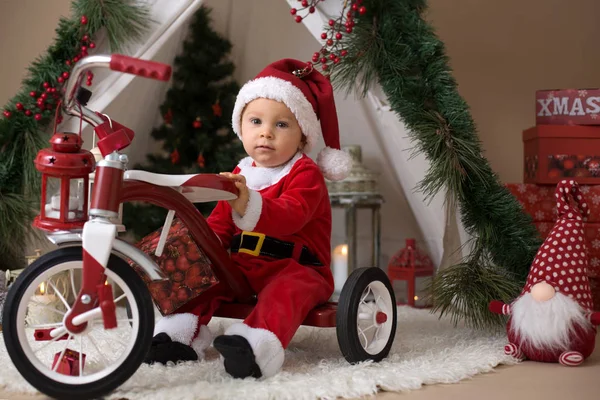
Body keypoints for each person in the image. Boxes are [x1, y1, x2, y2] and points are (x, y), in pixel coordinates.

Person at [144, 58, 353, 378]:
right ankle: (179, 335)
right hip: (245, 265)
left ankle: (256, 347)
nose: (266, 133)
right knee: (205, 278)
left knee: (286, 292)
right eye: (256, 121)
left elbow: (291, 216)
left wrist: (248, 202)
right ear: (240, 128)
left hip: (298, 266)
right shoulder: (242, 173)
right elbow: (220, 223)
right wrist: (197, 250)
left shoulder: (305, 172)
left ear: (302, 137)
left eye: (281, 125)